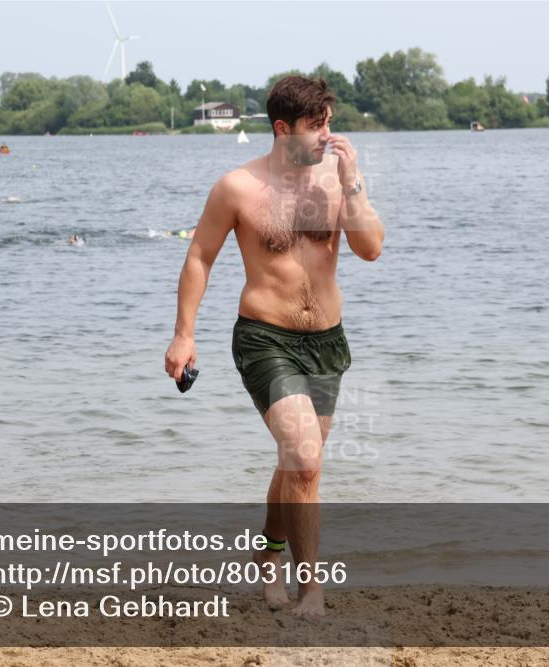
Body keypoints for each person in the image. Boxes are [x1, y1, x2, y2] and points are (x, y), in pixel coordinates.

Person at [163, 76, 384, 617]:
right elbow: (199, 257)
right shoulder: (238, 187)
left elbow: (371, 248)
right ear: (283, 129)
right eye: (316, 125)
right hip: (264, 338)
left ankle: (268, 555)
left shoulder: (337, 180)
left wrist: (353, 182)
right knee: (306, 460)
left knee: (296, 464)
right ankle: (312, 591)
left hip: (327, 343)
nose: (327, 135)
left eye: (330, 121)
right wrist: (184, 334)